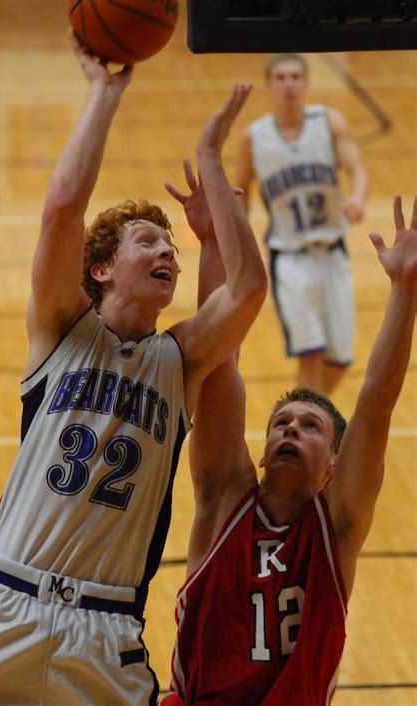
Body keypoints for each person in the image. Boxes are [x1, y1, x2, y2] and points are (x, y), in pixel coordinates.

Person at [0, 32, 267, 706]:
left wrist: (213, 183)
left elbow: (246, 292)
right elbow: (63, 207)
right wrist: (105, 92)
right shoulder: (62, 330)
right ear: (100, 268)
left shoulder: (179, 361)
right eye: (147, 241)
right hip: (4, 600)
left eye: (172, 246)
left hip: (106, 626)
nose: (167, 251)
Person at [159, 195, 416, 705]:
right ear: (259, 452)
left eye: (310, 426)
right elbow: (216, 366)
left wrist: (405, 290)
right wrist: (213, 243)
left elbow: (376, 405)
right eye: (281, 424)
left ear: (334, 467)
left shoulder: (336, 527)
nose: (290, 430)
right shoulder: (223, 499)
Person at [236, 53, 369, 394]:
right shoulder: (254, 137)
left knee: (340, 360)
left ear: (307, 83)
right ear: (269, 86)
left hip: (333, 253)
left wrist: (356, 196)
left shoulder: (328, 121)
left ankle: (307, 418)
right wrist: (237, 243)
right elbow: (241, 194)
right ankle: (310, 431)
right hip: (290, 257)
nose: (289, 84)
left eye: (295, 76)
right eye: (280, 77)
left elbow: (356, 168)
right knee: (311, 353)